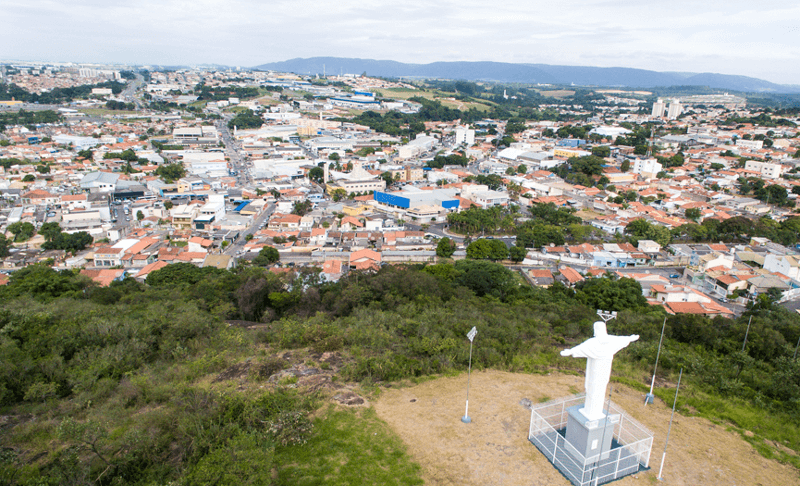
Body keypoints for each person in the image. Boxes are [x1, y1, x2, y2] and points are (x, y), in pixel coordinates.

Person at [561, 321, 639, 420]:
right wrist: (630, 338)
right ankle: (591, 410)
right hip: (601, 367)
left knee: (596, 387)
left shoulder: (596, 342)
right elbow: (621, 339)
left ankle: (594, 411)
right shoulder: (609, 340)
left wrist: (570, 351)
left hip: (599, 369)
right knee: (598, 387)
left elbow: (582, 347)